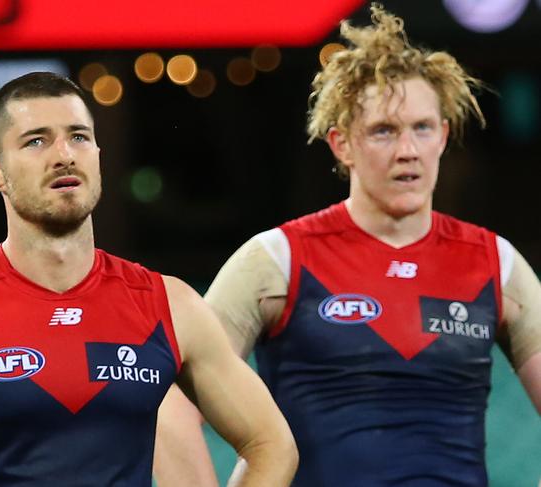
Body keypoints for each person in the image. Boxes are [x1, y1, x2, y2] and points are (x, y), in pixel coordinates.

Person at [155, 4, 541, 486]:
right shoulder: (277, 259)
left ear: (442, 136)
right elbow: (171, 406)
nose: (408, 150)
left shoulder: (495, 263)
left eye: (422, 128)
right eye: (384, 130)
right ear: (341, 144)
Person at [0, 72, 298, 486]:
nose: (64, 155)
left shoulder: (168, 306)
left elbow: (271, 445)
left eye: (79, 137)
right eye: (36, 141)